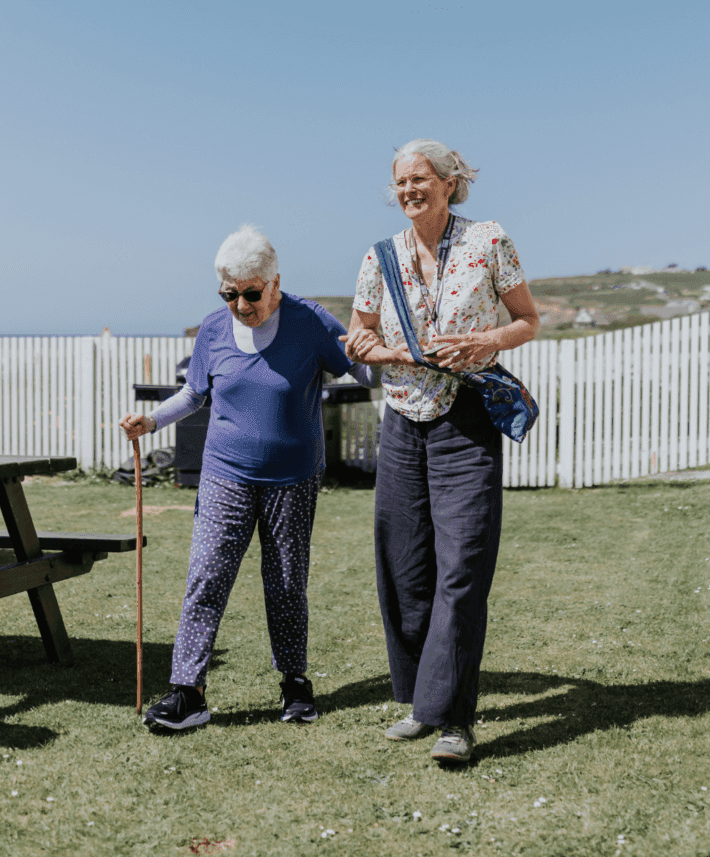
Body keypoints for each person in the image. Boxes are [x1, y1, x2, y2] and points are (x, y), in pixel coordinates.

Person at [121, 224, 375, 731]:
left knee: (285, 582)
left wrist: (374, 346)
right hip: (224, 474)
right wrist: (150, 422)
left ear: (274, 282)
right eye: (230, 293)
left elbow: (364, 373)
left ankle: (294, 686)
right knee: (206, 575)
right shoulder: (214, 329)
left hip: (294, 477)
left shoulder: (310, 322)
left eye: (252, 293)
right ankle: (187, 692)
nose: (241, 304)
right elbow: (194, 395)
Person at [341, 139, 539, 763]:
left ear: (450, 182)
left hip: (466, 419)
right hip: (401, 421)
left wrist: (486, 339)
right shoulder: (379, 257)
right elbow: (358, 336)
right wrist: (392, 353)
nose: (407, 190)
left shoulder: (489, 241)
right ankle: (421, 703)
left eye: (419, 178)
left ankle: (453, 717)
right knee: (404, 567)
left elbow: (527, 320)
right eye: (399, 181)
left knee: (463, 567)